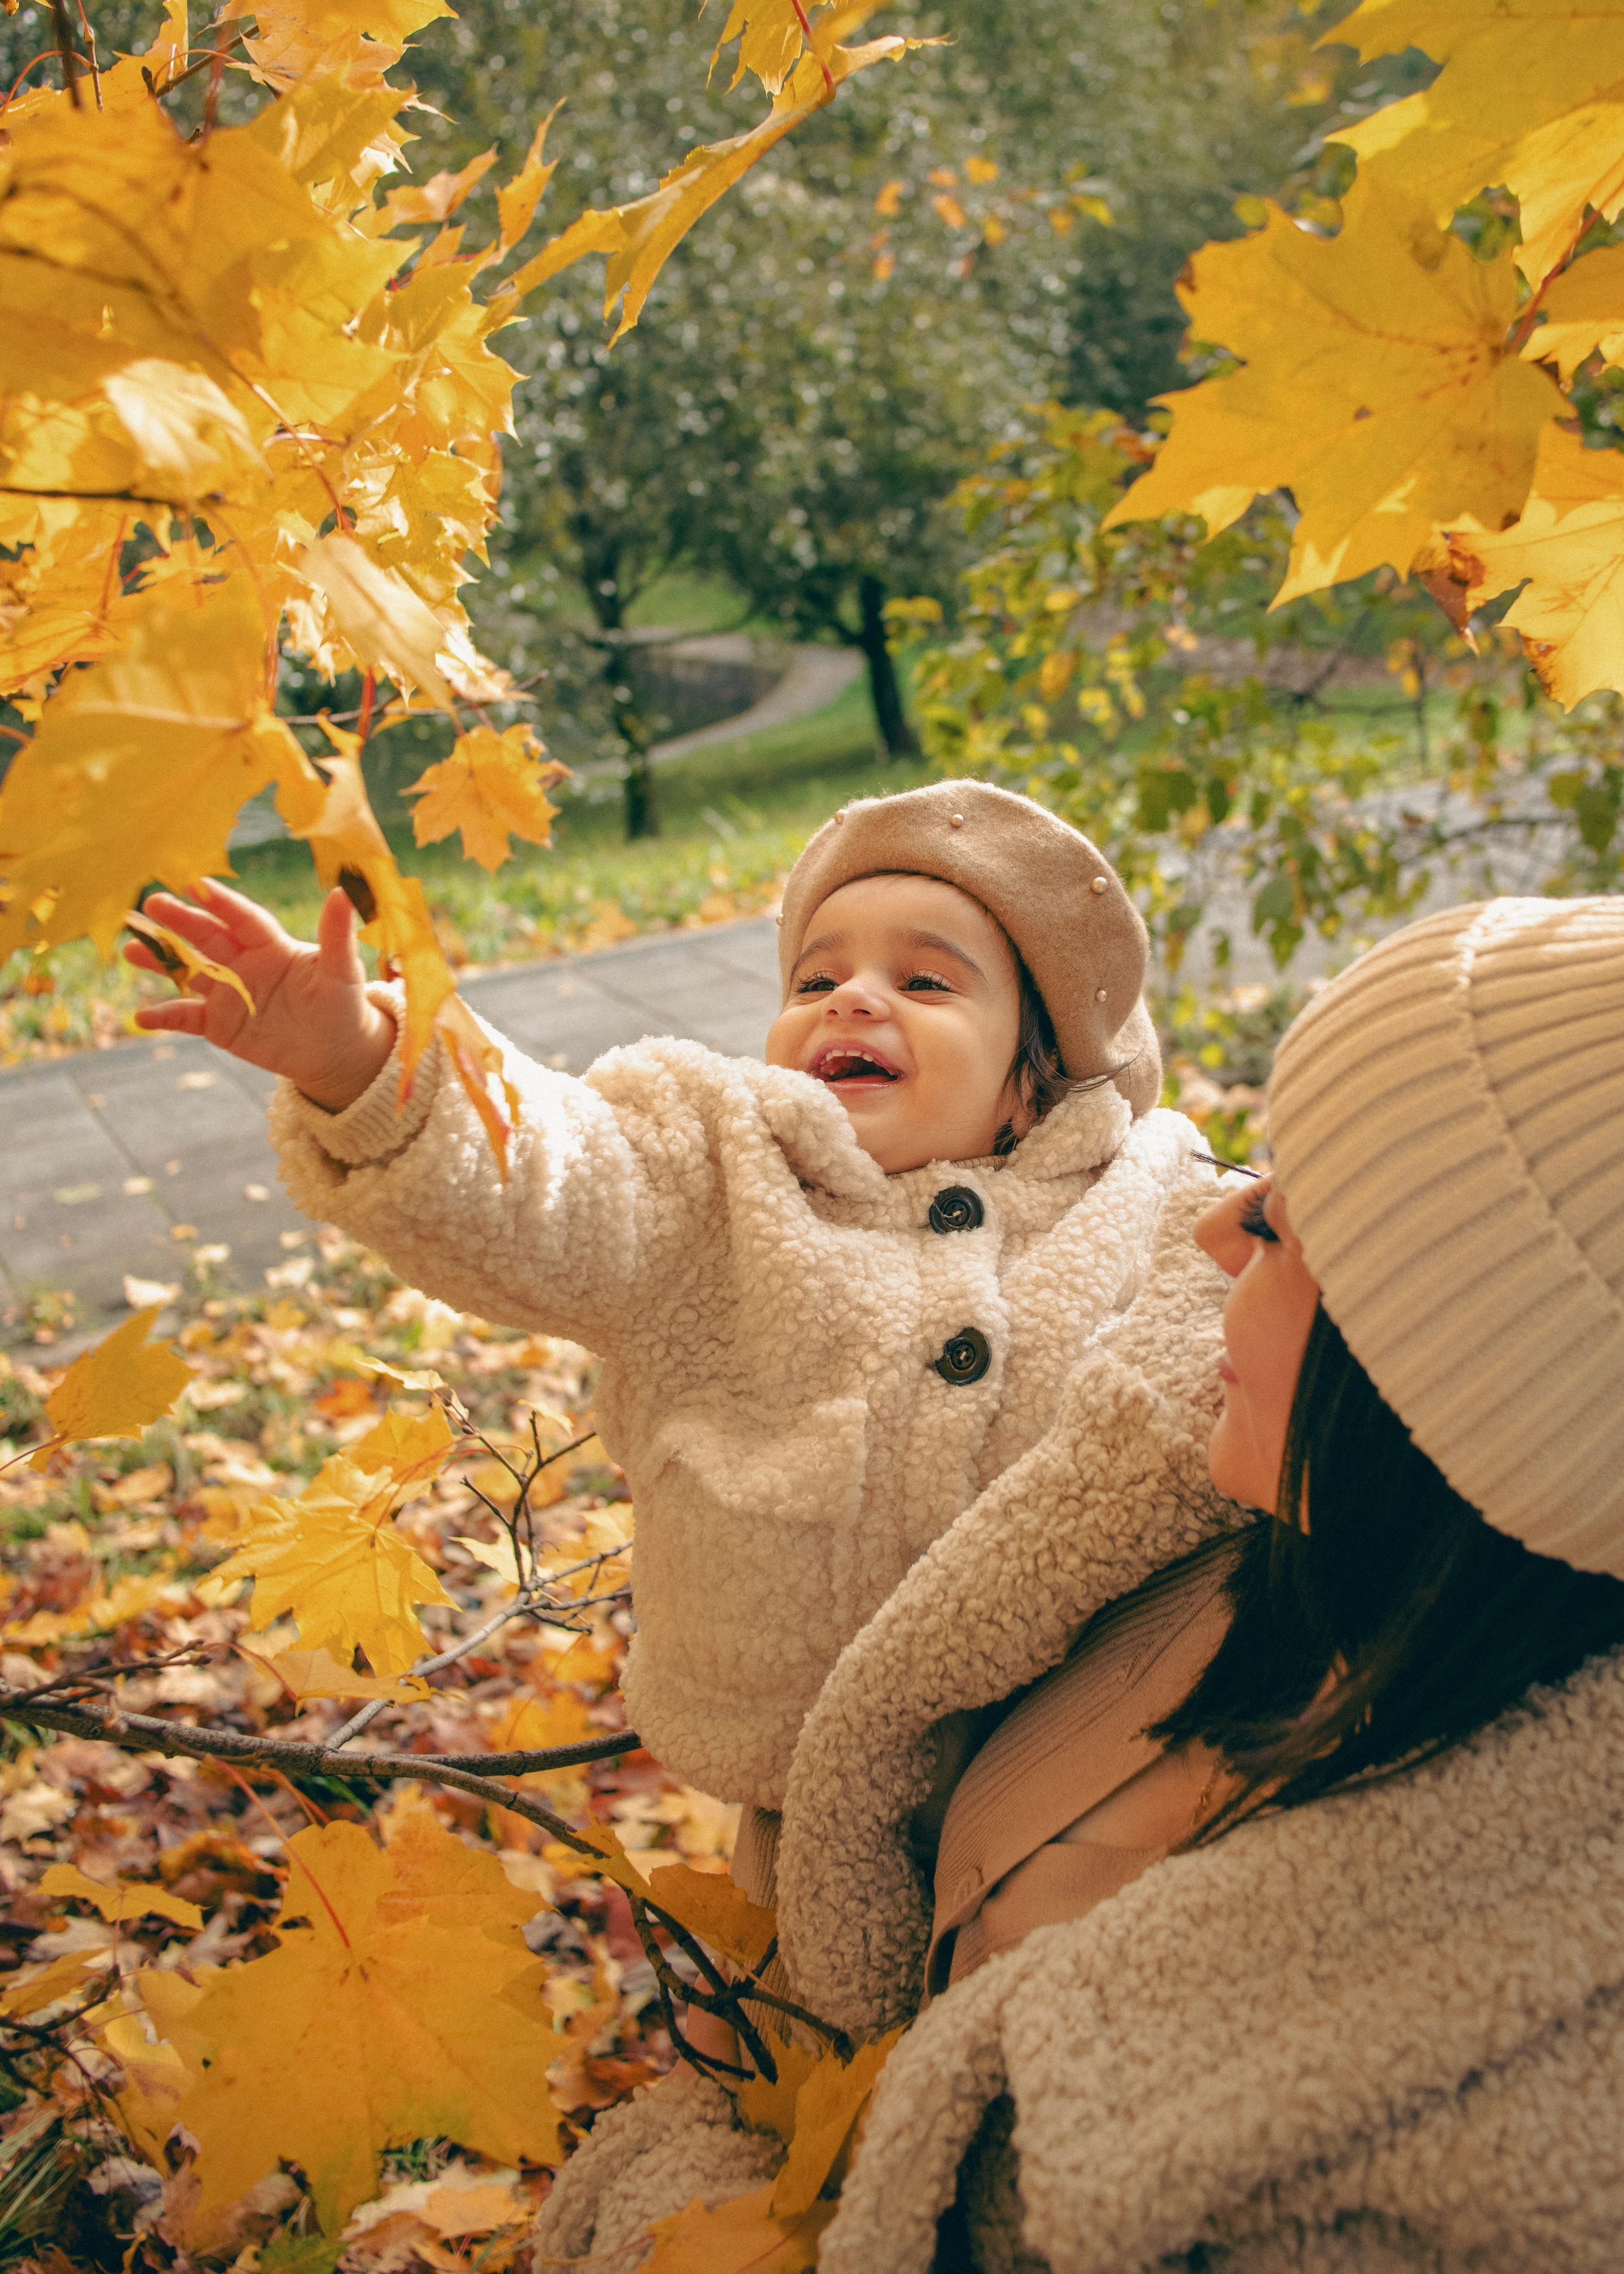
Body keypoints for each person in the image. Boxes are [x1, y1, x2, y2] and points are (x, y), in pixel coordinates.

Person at [535, 892, 1624, 2273]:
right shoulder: (1206, 1536)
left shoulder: (1449, 2089)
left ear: (1453, 1366)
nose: (1217, 1230)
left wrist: (682, 2203)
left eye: (1287, 1225)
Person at [124, 778, 1218, 1827]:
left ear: (1036, 1070)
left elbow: (1256, 1335)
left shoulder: (1138, 1200)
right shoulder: (718, 1173)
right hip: (807, 1781)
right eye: (814, 980)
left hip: (1109, 1755)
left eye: (927, 982)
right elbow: (547, 1170)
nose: (852, 997)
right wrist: (361, 1060)